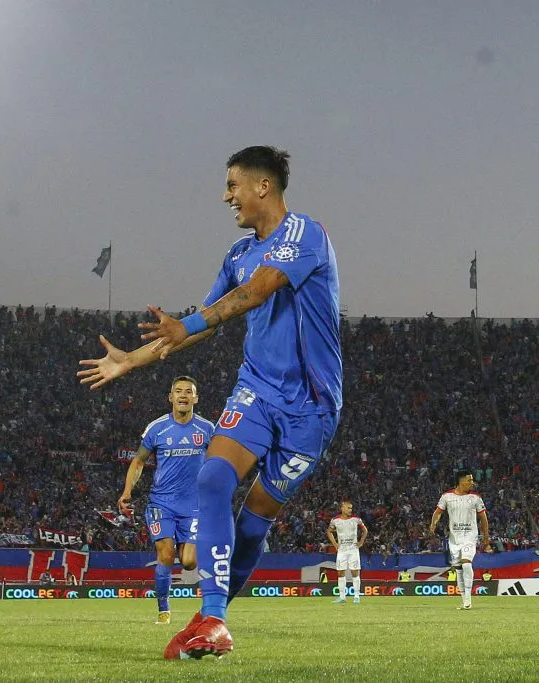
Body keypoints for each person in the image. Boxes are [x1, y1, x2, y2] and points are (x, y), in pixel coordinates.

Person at [78, 146, 342, 660]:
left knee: (254, 522)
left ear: (263, 186)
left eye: (232, 185)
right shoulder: (237, 254)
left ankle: (210, 617)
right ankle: (215, 620)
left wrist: (189, 324)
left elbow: (257, 292)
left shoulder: (306, 234)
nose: (226, 196)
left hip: (312, 406)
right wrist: (131, 360)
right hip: (257, 391)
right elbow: (199, 323)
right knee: (213, 479)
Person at [118, 376, 213, 624]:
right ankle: (163, 610)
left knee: (189, 562)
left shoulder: (207, 429)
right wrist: (127, 491)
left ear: (195, 398)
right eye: (178, 391)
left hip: (194, 506)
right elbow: (138, 461)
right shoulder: (157, 428)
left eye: (189, 392)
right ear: (171, 397)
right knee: (167, 555)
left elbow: (218, 460)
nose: (183, 395)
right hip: (162, 504)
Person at [429, 470, 490, 610]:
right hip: (454, 539)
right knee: (459, 570)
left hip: (470, 536)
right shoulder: (447, 496)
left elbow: (483, 518)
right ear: (461, 482)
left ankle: (468, 600)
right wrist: (433, 524)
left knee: (466, 564)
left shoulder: (475, 497)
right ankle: (464, 601)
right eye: (470, 480)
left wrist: (486, 537)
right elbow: (438, 512)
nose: (472, 483)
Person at [326, 501, 367, 604]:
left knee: (355, 572)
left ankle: (356, 596)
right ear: (342, 508)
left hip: (353, 550)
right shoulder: (335, 520)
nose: (350, 510)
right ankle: (342, 597)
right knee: (340, 573)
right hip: (342, 551)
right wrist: (335, 544)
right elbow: (329, 531)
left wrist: (361, 542)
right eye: (348, 508)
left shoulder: (356, 519)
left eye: (351, 508)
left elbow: (365, 530)